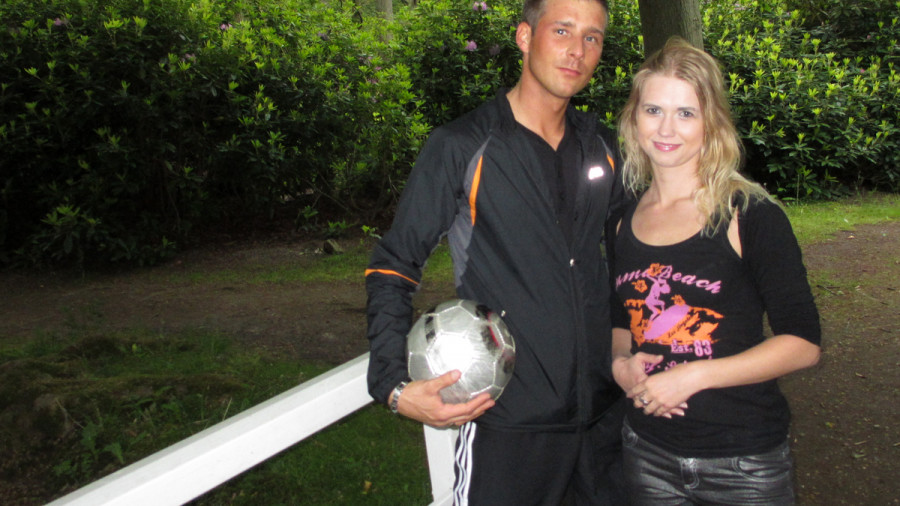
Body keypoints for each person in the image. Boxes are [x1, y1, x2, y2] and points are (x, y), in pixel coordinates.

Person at [365, 0, 627, 503]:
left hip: (604, 425)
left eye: (592, 37)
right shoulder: (463, 145)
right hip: (507, 427)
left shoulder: (603, 146)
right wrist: (393, 385)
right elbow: (393, 265)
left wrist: (630, 354)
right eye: (563, 31)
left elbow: (630, 265)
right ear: (524, 36)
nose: (578, 50)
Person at [610, 37, 822, 505]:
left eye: (686, 113)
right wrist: (621, 365)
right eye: (653, 110)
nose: (667, 128)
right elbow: (621, 321)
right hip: (646, 453)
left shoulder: (750, 214)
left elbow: (803, 343)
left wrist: (693, 376)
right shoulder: (622, 220)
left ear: (711, 123)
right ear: (633, 118)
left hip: (743, 462)